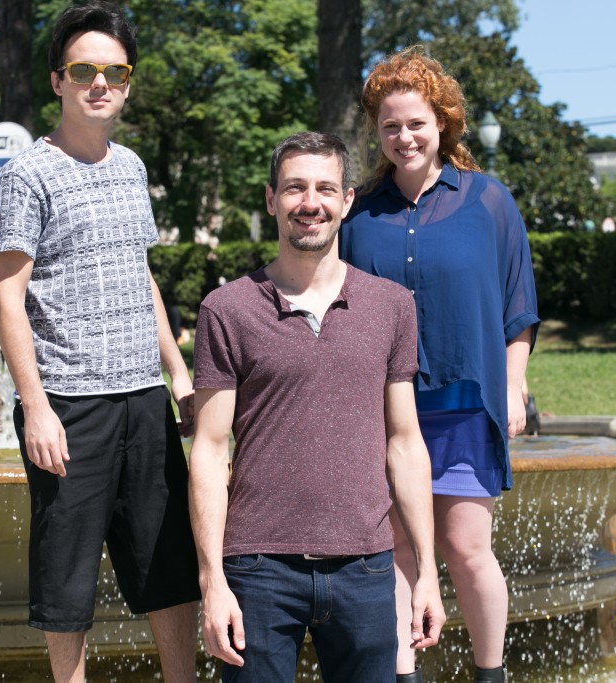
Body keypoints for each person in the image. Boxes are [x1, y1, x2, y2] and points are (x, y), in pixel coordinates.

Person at [0, 3, 200, 681]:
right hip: (70, 405)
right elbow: (7, 294)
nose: (99, 83)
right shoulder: (26, 174)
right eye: (84, 70)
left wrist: (178, 373)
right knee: (66, 579)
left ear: (128, 82)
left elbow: (141, 275)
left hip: (143, 397)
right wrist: (37, 405)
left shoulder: (133, 167)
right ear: (58, 80)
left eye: (114, 71)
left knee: (168, 563)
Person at [189, 131, 445, 682]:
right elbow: (209, 452)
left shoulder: (392, 307)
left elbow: (404, 442)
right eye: (295, 188)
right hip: (257, 569)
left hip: (366, 565)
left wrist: (426, 571)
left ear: (347, 200)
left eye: (326, 188)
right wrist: (213, 582)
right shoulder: (226, 309)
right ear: (270, 199)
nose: (311, 203)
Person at [340, 48, 540, 683]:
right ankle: (403, 676)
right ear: (377, 131)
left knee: (464, 548)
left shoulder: (488, 202)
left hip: (464, 403)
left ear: (443, 122)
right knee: (394, 551)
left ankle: (491, 673)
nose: (404, 137)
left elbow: (517, 306)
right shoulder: (359, 211)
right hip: (383, 410)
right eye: (391, 125)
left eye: (416, 123)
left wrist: (514, 386)